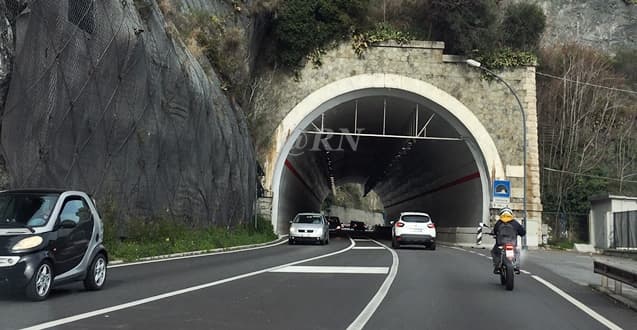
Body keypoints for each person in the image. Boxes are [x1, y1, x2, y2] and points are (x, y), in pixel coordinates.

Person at [491, 207, 526, 274]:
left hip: (501, 244)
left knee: (494, 252)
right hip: (512, 244)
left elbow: (495, 232)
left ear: (501, 214)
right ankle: (516, 266)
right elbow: (523, 232)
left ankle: (497, 267)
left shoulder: (499, 222)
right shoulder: (515, 223)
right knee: (517, 252)